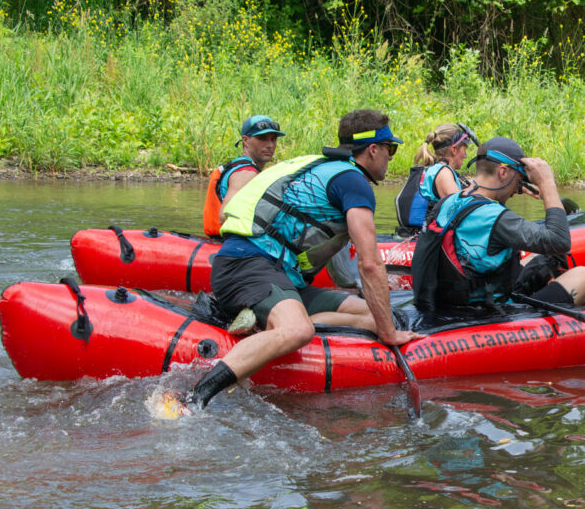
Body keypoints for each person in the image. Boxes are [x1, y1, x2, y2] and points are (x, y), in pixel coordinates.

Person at [175, 109, 425, 414]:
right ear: (373, 149)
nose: (391, 158)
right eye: (390, 149)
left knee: (372, 315)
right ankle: (193, 397)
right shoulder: (352, 182)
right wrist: (389, 335)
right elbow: (370, 264)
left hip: (279, 273)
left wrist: (383, 323)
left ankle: (263, 326)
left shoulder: (331, 170)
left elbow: (342, 265)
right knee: (298, 331)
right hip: (246, 264)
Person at [412, 136, 585, 312]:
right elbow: (559, 241)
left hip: (451, 304)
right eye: (519, 180)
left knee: (542, 258)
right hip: (485, 314)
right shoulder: (494, 217)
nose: (517, 189)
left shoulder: (449, 201)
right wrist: (547, 183)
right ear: (503, 172)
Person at [203, 115, 285, 237]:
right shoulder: (246, 173)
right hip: (232, 242)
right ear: (245, 140)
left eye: (273, 139)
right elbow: (224, 216)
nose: (270, 145)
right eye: (262, 138)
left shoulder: (241, 166)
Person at [394, 122, 478, 232]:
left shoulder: (431, 169)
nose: (465, 155)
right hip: (425, 238)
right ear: (454, 150)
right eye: (464, 150)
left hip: (411, 235)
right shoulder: (444, 173)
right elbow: (460, 213)